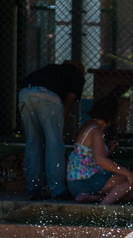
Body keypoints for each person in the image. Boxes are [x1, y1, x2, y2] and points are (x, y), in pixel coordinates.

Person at [18, 59, 86, 200]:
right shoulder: (77, 76)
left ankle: (33, 188)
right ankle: (57, 189)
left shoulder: (51, 69)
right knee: (54, 143)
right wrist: (61, 128)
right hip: (47, 97)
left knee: (33, 141)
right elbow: (68, 104)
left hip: (24, 93)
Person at [66, 95, 133, 205]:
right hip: (84, 182)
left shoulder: (89, 125)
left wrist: (109, 150)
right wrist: (128, 173)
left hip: (77, 182)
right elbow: (100, 160)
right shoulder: (96, 131)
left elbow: (89, 156)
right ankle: (102, 209)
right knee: (130, 182)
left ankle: (92, 198)